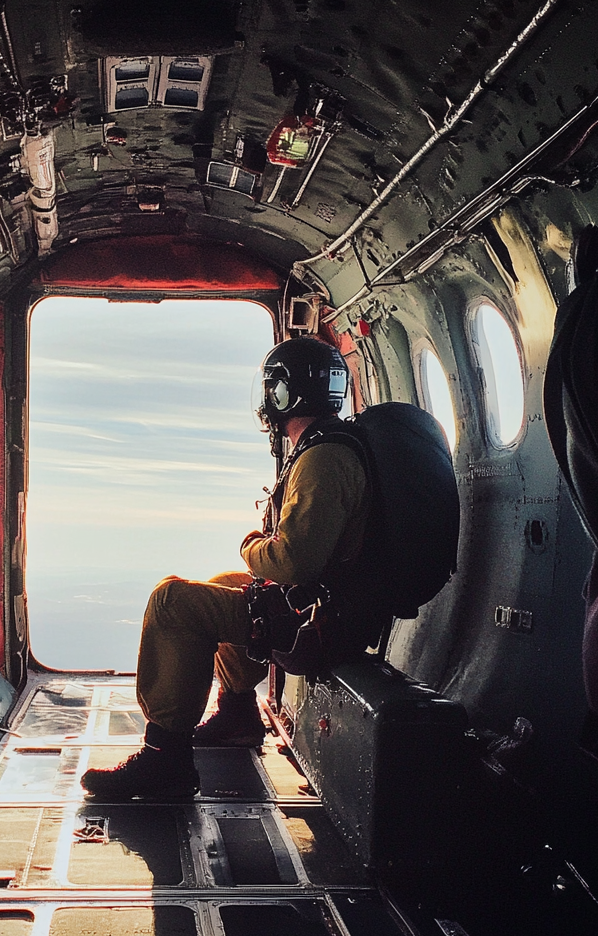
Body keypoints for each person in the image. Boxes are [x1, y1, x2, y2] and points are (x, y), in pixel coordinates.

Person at [81, 337, 387, 800]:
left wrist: (251, 546)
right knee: (226, 586)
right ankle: (238, 715)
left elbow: (293, 561)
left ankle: (166, 759)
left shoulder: (323, 459)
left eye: (272, 388)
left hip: (319, 624)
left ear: (284, 394)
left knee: (173, 602)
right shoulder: (332, 445)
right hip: (331, 607)